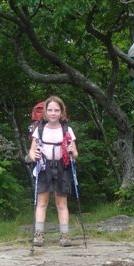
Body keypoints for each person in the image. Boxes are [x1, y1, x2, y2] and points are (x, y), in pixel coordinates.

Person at [28, 96, 78, 247]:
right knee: (42, 202)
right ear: (45, 112)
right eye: (50, 110)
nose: (53, 113)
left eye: (56, 110)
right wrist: (34, 155)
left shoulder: (67, 129)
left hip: (62, 168)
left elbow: (75, 153)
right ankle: (38, 236)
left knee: (61, 203)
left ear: (62, 112)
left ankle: (64, 236)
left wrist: (71, 151)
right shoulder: (40, 129)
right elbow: (31, 152)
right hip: (44, 168)